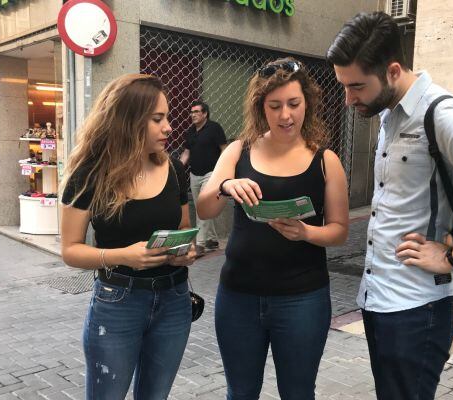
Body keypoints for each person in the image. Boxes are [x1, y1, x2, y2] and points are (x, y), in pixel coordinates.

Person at [327, 12, 453, 400]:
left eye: (357, 87)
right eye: (344, 86)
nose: (348, 99)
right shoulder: (389, 115)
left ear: (394, 70)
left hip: (420, 305)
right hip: (380, 298)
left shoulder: (442, 113)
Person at [196, 58, 349, 399]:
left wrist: (306, 232)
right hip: (238, 298)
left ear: (306, 103)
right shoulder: (239, 150)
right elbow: (205, 207)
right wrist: (226, 186)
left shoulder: (325, 160)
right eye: (275, 106)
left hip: (303, 300)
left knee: (297, 392)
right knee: (241, 391)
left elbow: (339, 230)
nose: (285, 116)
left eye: (294, 104)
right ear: (260, 107)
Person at [60, 74, 196, 400]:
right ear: (129, 121)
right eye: (157, 119)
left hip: (174, 299)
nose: (169, 127)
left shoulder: (175, 169)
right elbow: (70, 250)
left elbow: (182, 231)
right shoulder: (90, 174)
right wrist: (122, 255)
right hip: (117, 301)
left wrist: (185, 251)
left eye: (168, 118)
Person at [180, 100, 227, 254]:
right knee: (204, 208)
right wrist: (177, 168)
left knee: (201, 208)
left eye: (196, 112)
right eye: (192, 112)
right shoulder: (191, 131)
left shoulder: (215, 128)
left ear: (205, 113)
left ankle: (200, 243)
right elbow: (186, 153)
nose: (193, 115)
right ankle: (212, 239)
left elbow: (224, 150)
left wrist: (223, 171)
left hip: (211, 174)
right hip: (194, 174)